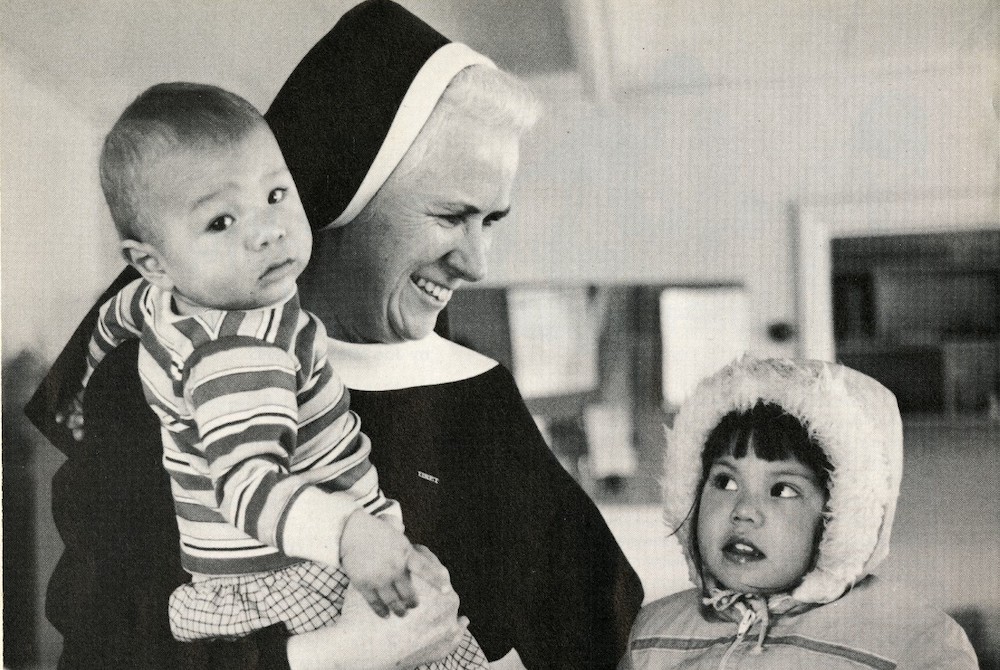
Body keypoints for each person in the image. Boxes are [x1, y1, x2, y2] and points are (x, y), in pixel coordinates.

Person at [27, 1, 644, 668]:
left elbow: (603, 623)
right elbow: (101, 645)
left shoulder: (479, 397)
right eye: (450, 216)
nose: (476, 262)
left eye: (490, 221)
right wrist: (330, 656)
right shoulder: (155, 381)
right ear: (347, 194)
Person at [57, 81, 487, 668]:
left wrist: (75, 392)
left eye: (276, 194)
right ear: (152, 262)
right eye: (221, 221)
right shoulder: (242, 348)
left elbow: (113, 318)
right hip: (296, 576)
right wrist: (354, 536)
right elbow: (245, 486)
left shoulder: (159, 300)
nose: (266, 229)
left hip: (250, 574)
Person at [619, 356, 979, 669]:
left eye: (783, 490)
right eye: (726, 481)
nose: (744, 511)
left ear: (840, 518)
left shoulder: (914, 643)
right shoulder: (651, 635)